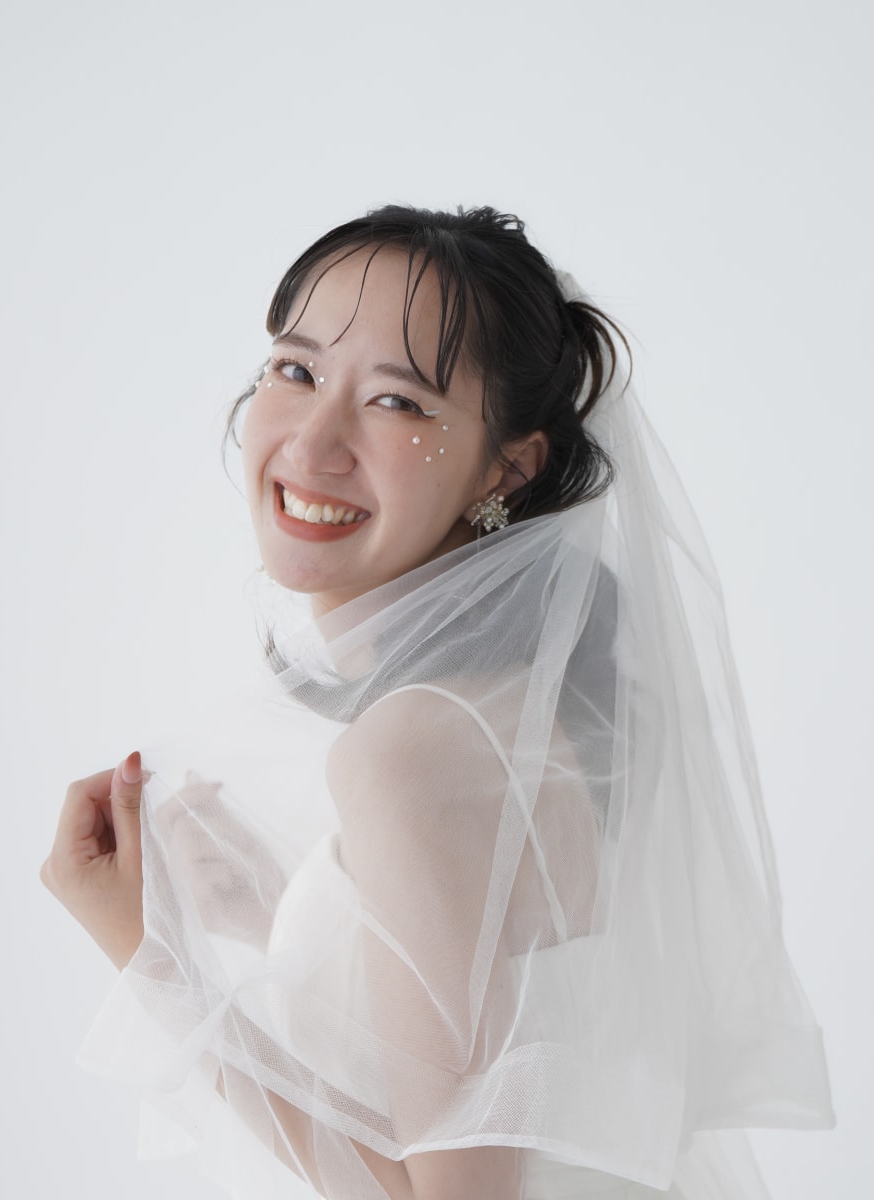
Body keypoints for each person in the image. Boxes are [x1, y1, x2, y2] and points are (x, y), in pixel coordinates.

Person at [42, 206, 834, 1199]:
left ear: (508, 467)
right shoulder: (502, 716)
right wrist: (285, 913)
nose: (314, 443)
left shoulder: (412, 749)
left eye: (397, 401)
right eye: (296, 371)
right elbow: (507, 1047)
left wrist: (157, 963)